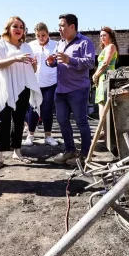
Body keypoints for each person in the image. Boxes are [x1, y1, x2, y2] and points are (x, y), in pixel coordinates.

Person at [0, 16, 43, 170]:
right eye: (15, 26)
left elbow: (32, 70)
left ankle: (17, 152)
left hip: (22, 87)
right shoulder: (0, 44)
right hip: (5, 87)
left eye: (21, 27)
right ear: (8, 29)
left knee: (19, 120)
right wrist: (15, 58)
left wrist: (34, 65)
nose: (19, 29)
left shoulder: (26, 47)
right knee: (2, 120)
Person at [46, 14, 95, 166]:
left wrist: (70, 60)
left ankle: (85, 155)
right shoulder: (60, 43)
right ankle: (70, 150)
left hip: (78, 90)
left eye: (62, 26)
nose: (59, 29)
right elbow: (56, 62)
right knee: (62, 121)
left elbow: (90, 63)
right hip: (60, 90)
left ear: (72, 26)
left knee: (81, 121)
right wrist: (50, 62)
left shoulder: (85, 42)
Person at [23, 22, 59, 147]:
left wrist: (53, 60)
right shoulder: (30, 45)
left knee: (47, 109)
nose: (41, 38)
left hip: (50, 82)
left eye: (43, 35)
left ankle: (48, 136)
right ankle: (30, 135)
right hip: (34, 82)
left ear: (48, 33)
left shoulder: (56, 45)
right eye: (38, 35)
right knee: (33, 109)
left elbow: (59, 62)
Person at [92, 27, 119, 133]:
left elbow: (105, 63)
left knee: (104, 104)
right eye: (101, 35)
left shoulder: (111, 46)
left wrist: (96, 75)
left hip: (107, 77)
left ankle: (104, 131)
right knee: (100, 103)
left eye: (104, 35)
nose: (102, 37)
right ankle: (102, 130)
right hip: (101, 78)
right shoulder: (105, 48)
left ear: (110, 36)